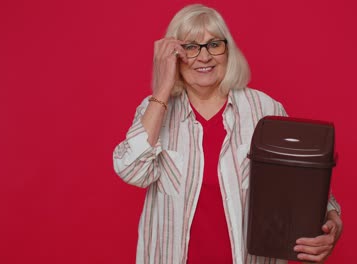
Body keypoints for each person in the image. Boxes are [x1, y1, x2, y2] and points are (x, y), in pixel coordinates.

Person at [113, 4, 343, 264]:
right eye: (190, 47)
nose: (204, 57)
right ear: (174, 55)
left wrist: (332, 221)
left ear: (228, 50)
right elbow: (131, 170)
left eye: (214, 45)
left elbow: (303, 184)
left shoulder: (264, 110)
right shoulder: (154, 109)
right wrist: (163, 88)